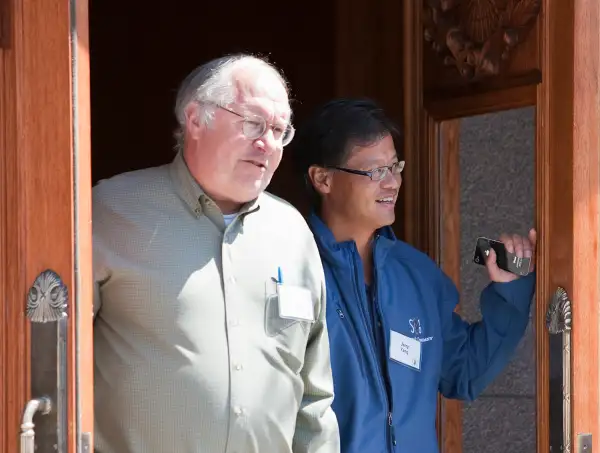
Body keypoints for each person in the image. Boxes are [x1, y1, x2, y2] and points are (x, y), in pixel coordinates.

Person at [92, 54, 340, 453]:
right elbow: (50, 363)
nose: (268, 143)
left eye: (279, 130)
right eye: (253, 123)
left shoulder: (293, 233)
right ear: (195, 119)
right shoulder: (110, 211)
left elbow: (314, 398)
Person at [290, 98, 537, 453]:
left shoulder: (416, 274)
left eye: (395, 167)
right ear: (323, 179)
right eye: (375, 172)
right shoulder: (290, 270)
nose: (392, 183)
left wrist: (509, 292)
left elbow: (463, 373)